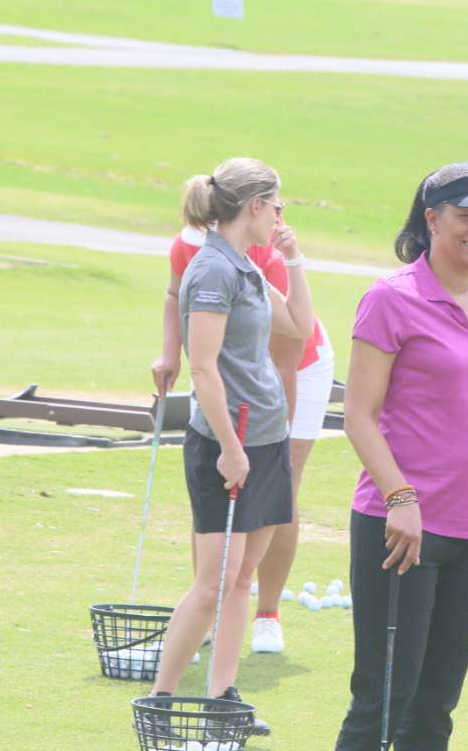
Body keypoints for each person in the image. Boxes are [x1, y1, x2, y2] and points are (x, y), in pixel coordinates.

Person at [335, 163, 468, 750]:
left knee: (436, 706)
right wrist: (401, 498)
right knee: (383, 700)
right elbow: (358, 415)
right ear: (432, 219)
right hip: (401, 530)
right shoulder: (389, 298)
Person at [147, 158, 315, 731]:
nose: (280, 216)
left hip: (266, 437)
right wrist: (228, 447)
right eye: (277, 206)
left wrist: (294, 259)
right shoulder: (212, 271)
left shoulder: (246, 266)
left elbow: (299, 325)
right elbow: (202, 367)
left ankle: (222, 697)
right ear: (254, 207)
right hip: (230, 443)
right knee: (214, 582)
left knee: (243, 578)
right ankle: (161, 700)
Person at [153, 214, 335, 656]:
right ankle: (208, 607)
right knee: (213, 496)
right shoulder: (190, 245)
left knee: (278, 493)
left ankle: (267, 613)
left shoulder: (265, 258)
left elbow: (287, 355)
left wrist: (274, 445)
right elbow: (176, 296)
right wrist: (169, 352)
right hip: (228, 371)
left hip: (297, 368)